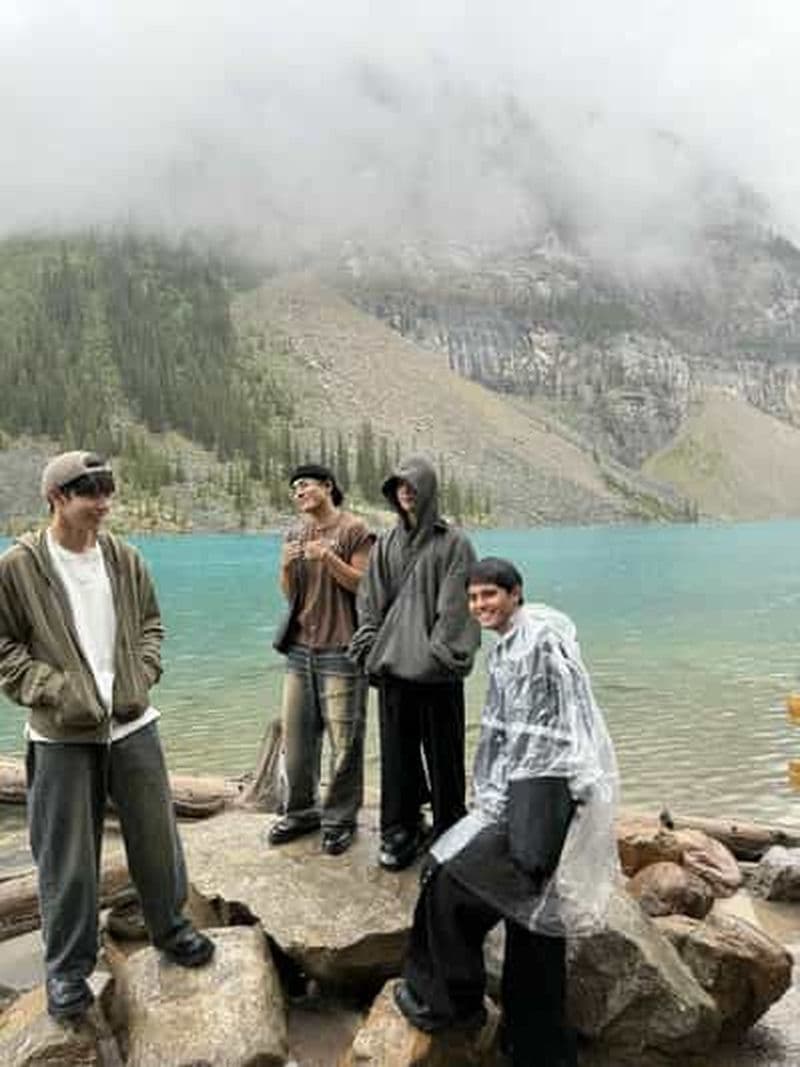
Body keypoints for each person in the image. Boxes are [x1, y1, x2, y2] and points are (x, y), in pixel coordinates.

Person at [0, 451, 214, 1021]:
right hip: (60, 734)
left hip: (132, 723)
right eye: (89, 494)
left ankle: (170, 930)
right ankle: (67, 973)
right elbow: (5, 651)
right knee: (67, 859)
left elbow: (150, 625)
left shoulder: (125, 557)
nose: (102, 505)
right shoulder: (19, 567)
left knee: (156, 839)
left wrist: (141, 675)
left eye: (106, 492)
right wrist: (57, 690)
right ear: (57, 500)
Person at [393, 557, 619, 1067]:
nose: (480, 606)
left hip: (545, 789)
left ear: (515, 593)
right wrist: (490, 803)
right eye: (473, 599)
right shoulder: (506, 650)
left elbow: (568, 718)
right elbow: (502, 732)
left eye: (490, 595)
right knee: (520, 909)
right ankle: (526, 1042)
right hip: (525, 788)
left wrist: (573, 787)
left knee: (485, 892)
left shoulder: (539, 641)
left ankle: (456, 1006)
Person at [349, 455, 480, 871]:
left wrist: (437, 654)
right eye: (398, 486)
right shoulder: (385, 543)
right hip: (392, 670)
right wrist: (370, 644)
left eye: (412, 485)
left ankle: (449, 828)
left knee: (444, 754)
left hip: (436, 673)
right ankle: (400, 826)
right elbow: (370, 599)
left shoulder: (454, 543)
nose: (405, 492)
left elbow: (456, 607)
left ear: (428, 490)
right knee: (396, 753)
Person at [268, 463, 373, 856]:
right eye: (294, 487)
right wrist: (285, 564)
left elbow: (364, 586)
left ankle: (340, 820)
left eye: (306, 484)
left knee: (344, 742)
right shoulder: (295, 533)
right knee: (296, 738)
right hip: (299, 650)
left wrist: (328, 559)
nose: (299, 491)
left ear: (328, 487)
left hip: (341, 650)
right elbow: (290, 594)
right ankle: (300, 812)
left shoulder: (355, 530)